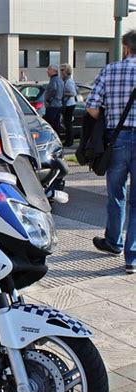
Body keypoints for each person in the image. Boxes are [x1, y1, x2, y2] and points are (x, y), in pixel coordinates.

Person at [86, 29, 136, 275]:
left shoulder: (110, 70)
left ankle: (113, 242)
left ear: (126, 47)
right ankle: (132, 258)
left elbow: (92, 108)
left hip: (118, 139)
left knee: (116, 194)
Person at [43, 64, 64, 134]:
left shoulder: (53, 80)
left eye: (49, 69)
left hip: (52, 105)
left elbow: (53, 89)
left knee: (50, 124)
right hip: (59, 105)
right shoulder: (60, 80)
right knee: (56, 123)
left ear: (54, 71)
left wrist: (48, 99)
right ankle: (58, 137)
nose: (47, 71)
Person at [60, 63, 77, 146]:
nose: (61, 72)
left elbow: (73, 93)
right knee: (66, 123)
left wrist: (63, 93)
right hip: (67, 104)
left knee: (68, 123)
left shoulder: (69, 81)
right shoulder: (65, 80)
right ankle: (68, 140)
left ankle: (69, 141)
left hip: (69, 104)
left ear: (67, 71)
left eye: (63, 70)